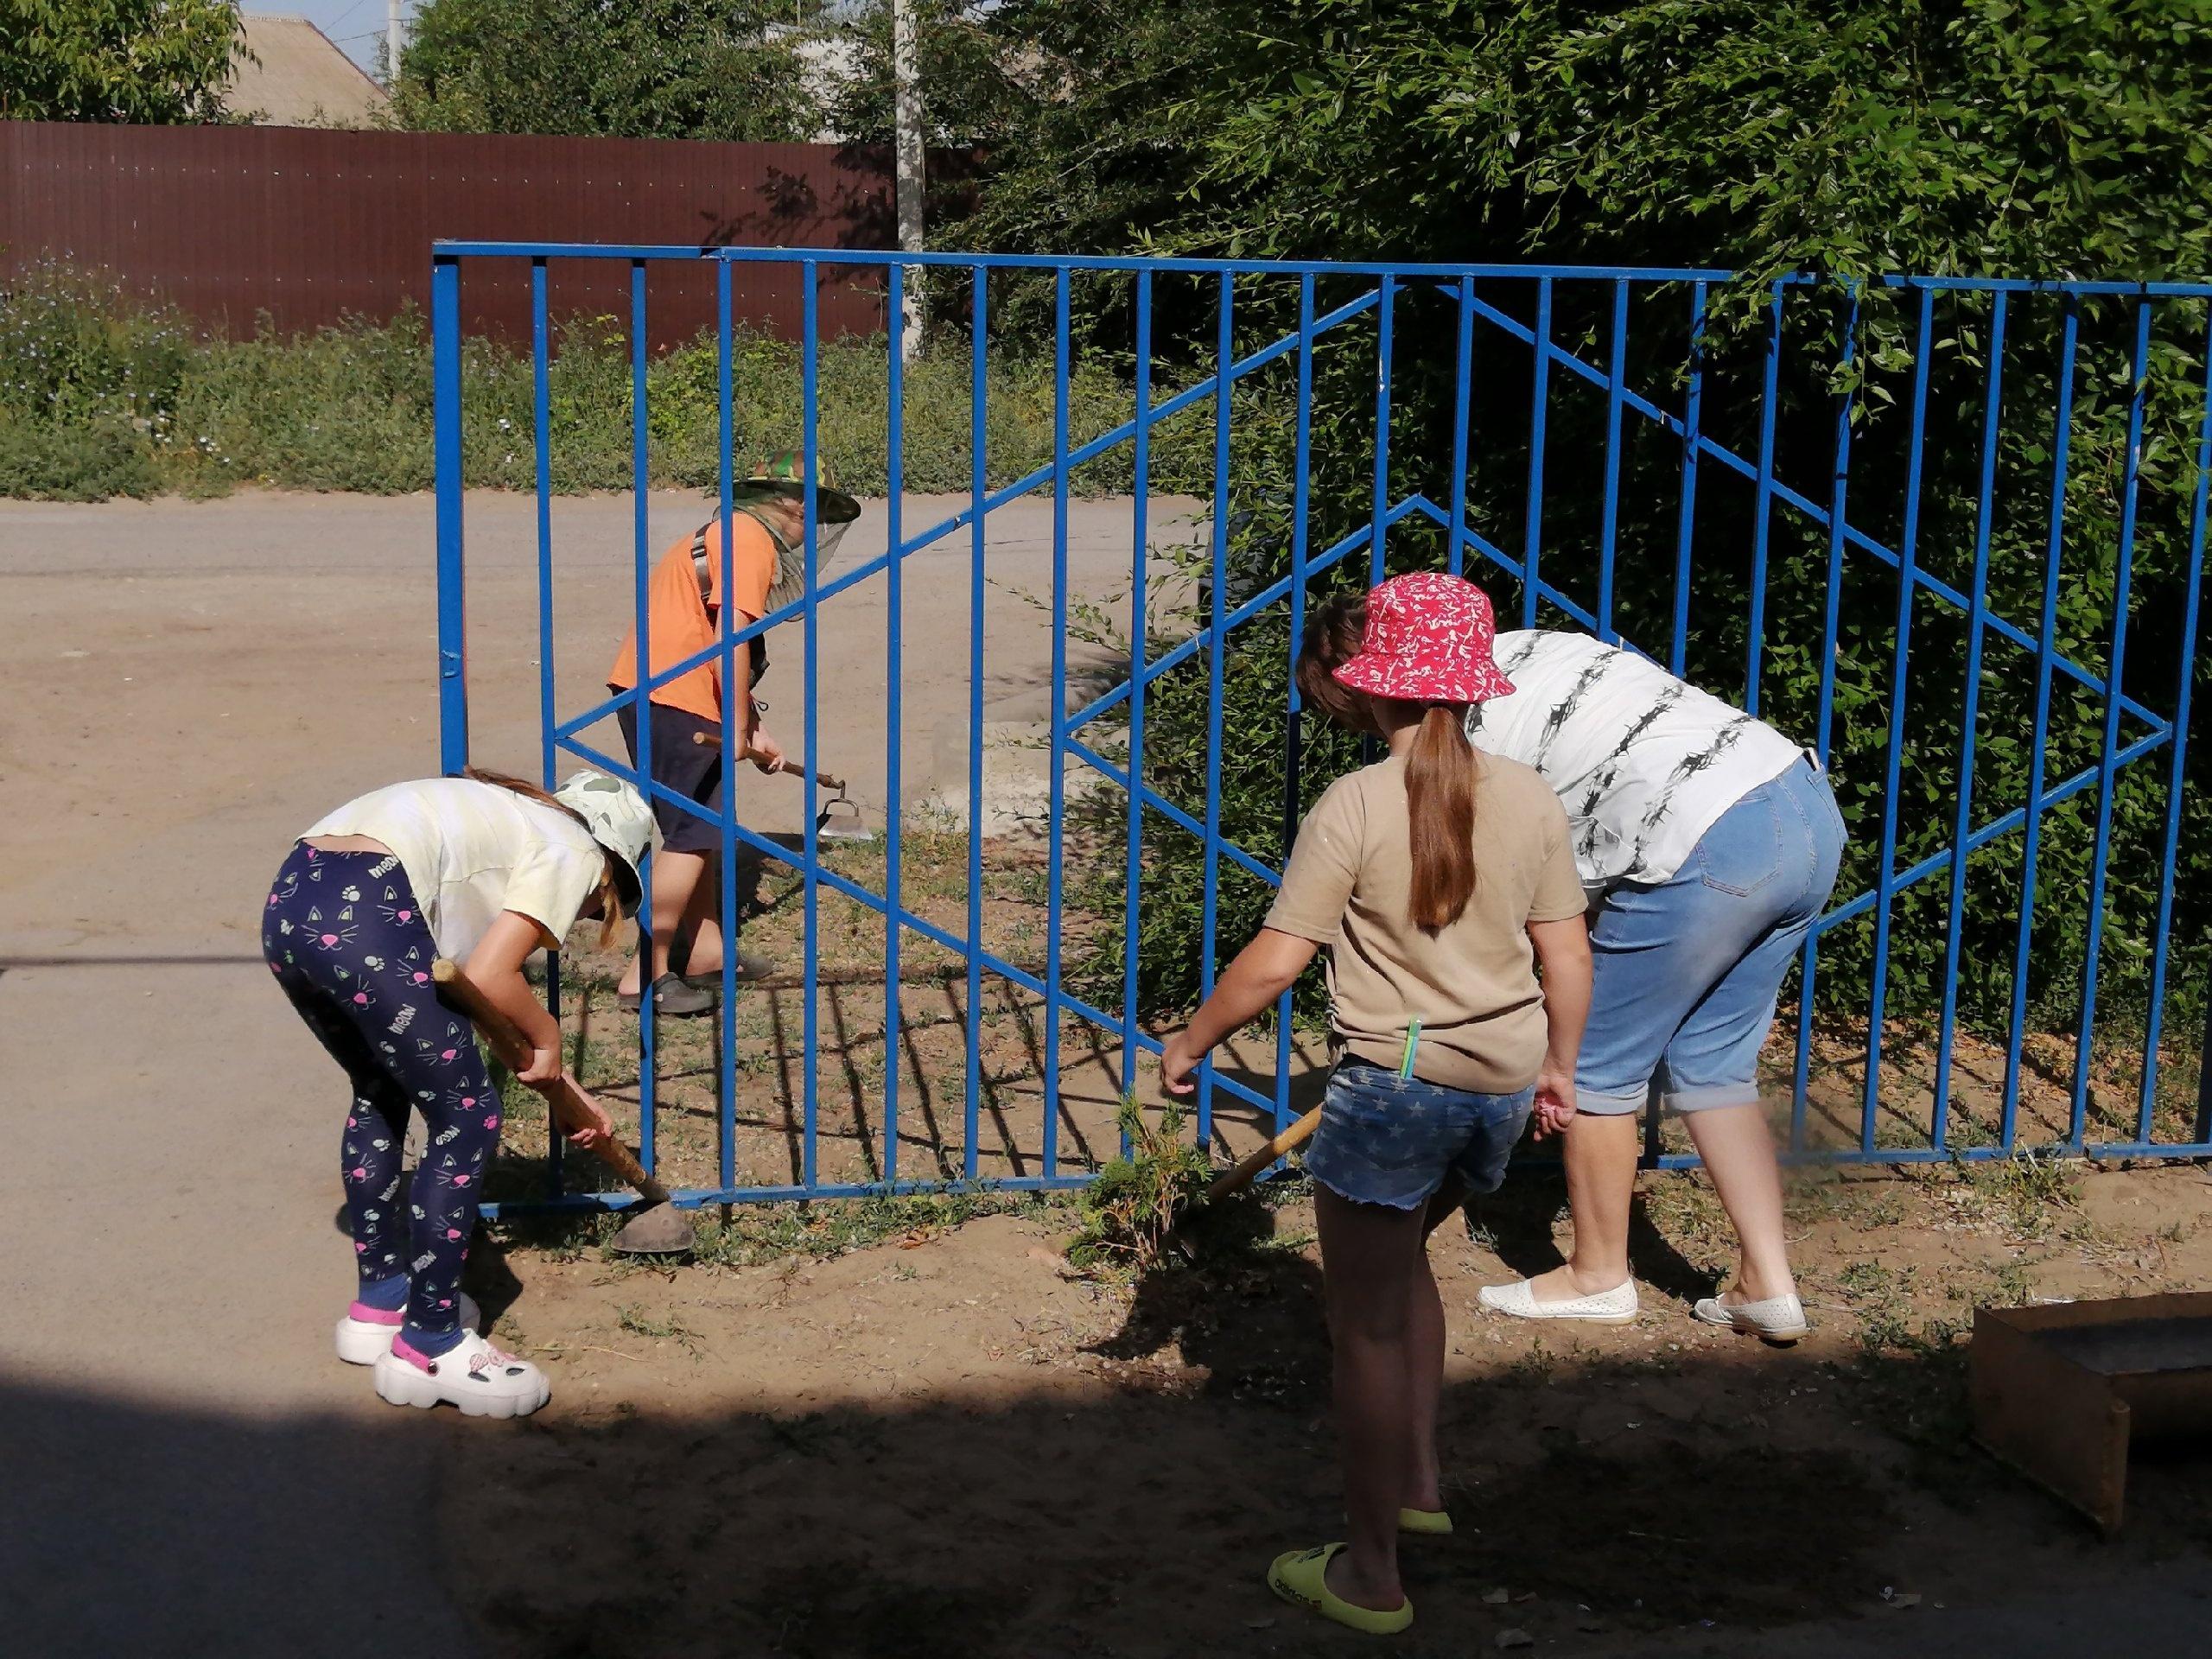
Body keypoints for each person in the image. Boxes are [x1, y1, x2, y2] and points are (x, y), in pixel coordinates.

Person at [1160, 573, 1592, 1636]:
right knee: (1408, 1275)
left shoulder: (1354, 804)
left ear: (1371, 690)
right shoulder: (1529, 793)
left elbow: (1273, 963)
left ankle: (1369, 1575)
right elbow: (1565, 952)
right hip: (1499, 1085)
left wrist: (1192, 1039)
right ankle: (1420, 1489)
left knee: (1361, 1329)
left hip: (1397, 1090)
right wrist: (1561, 1070)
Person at [1302, 602, 1845, 1342]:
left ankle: (1597, 1276)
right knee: (1715, 1067)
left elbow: (1517, 902)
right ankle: (1767, 1285)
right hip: (1798, 805)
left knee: (1591, 1067)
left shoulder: (1464, 734)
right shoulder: (1527, 650)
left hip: (1701, 842)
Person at [262, 766, 652, 1417]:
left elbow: (476, 1003)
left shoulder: (505, 823)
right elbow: (494, 975)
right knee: (466, 1118)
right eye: (598, 908)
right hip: (369, 910)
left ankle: (382, 1300)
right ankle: (431, 1341)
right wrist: (550, 1037)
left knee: (379, 1089)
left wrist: (564, 1087)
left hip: (294, 900)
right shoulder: (575, 849)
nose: (582, 916)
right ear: (615, 867)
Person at [606, 452, 861, 1016]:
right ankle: (643, 975)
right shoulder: (748, 538)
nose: (809, 530)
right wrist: (738, 725)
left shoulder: (731, 533)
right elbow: (732, 637)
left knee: (702, 829)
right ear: (794, 505)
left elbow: (713, 638)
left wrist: (753, 726)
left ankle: (708, 956)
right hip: (673, 697)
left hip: (668, 693)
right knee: (689, 836)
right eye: (811, 514)